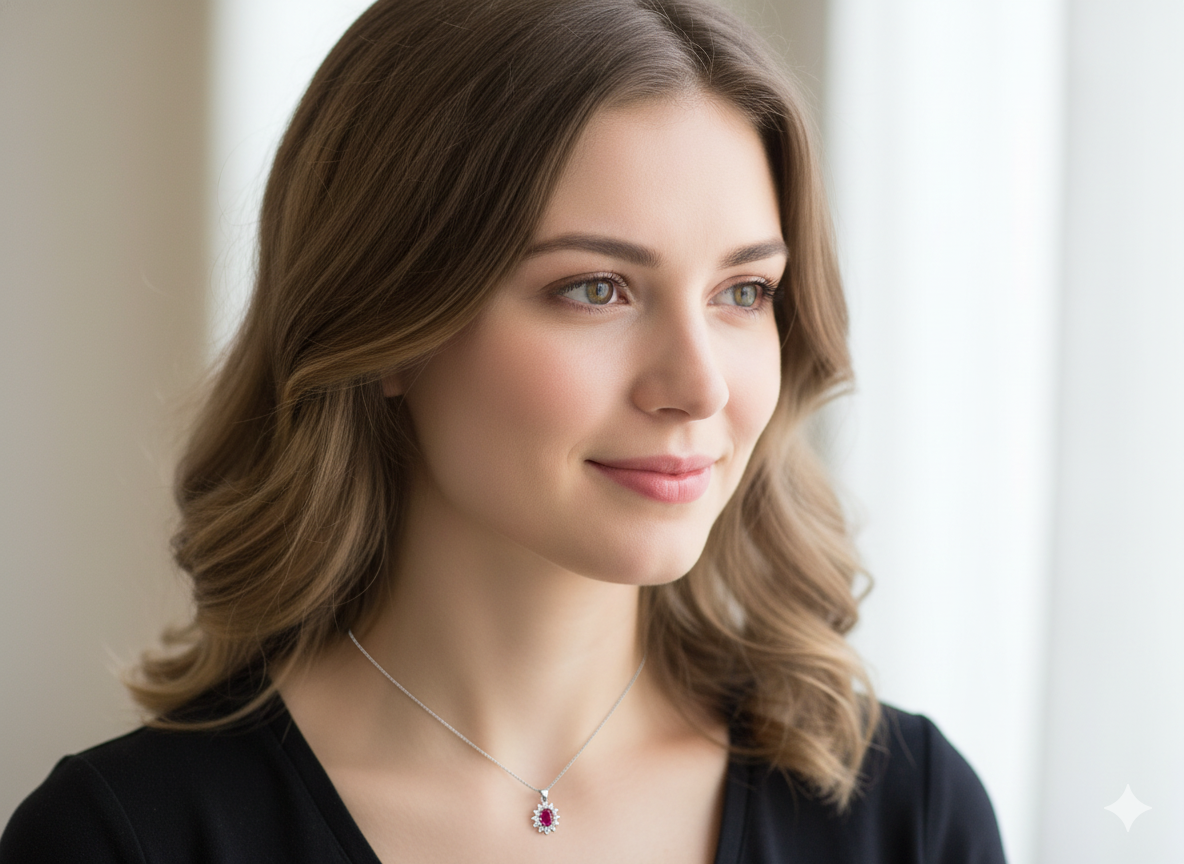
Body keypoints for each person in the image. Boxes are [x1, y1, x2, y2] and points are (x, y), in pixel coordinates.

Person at [1, 0, 1007, 861]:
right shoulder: (124, 840)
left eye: (743, 291)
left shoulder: (903, 817)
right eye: (596, 288)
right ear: (387, 326)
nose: (698, 386)